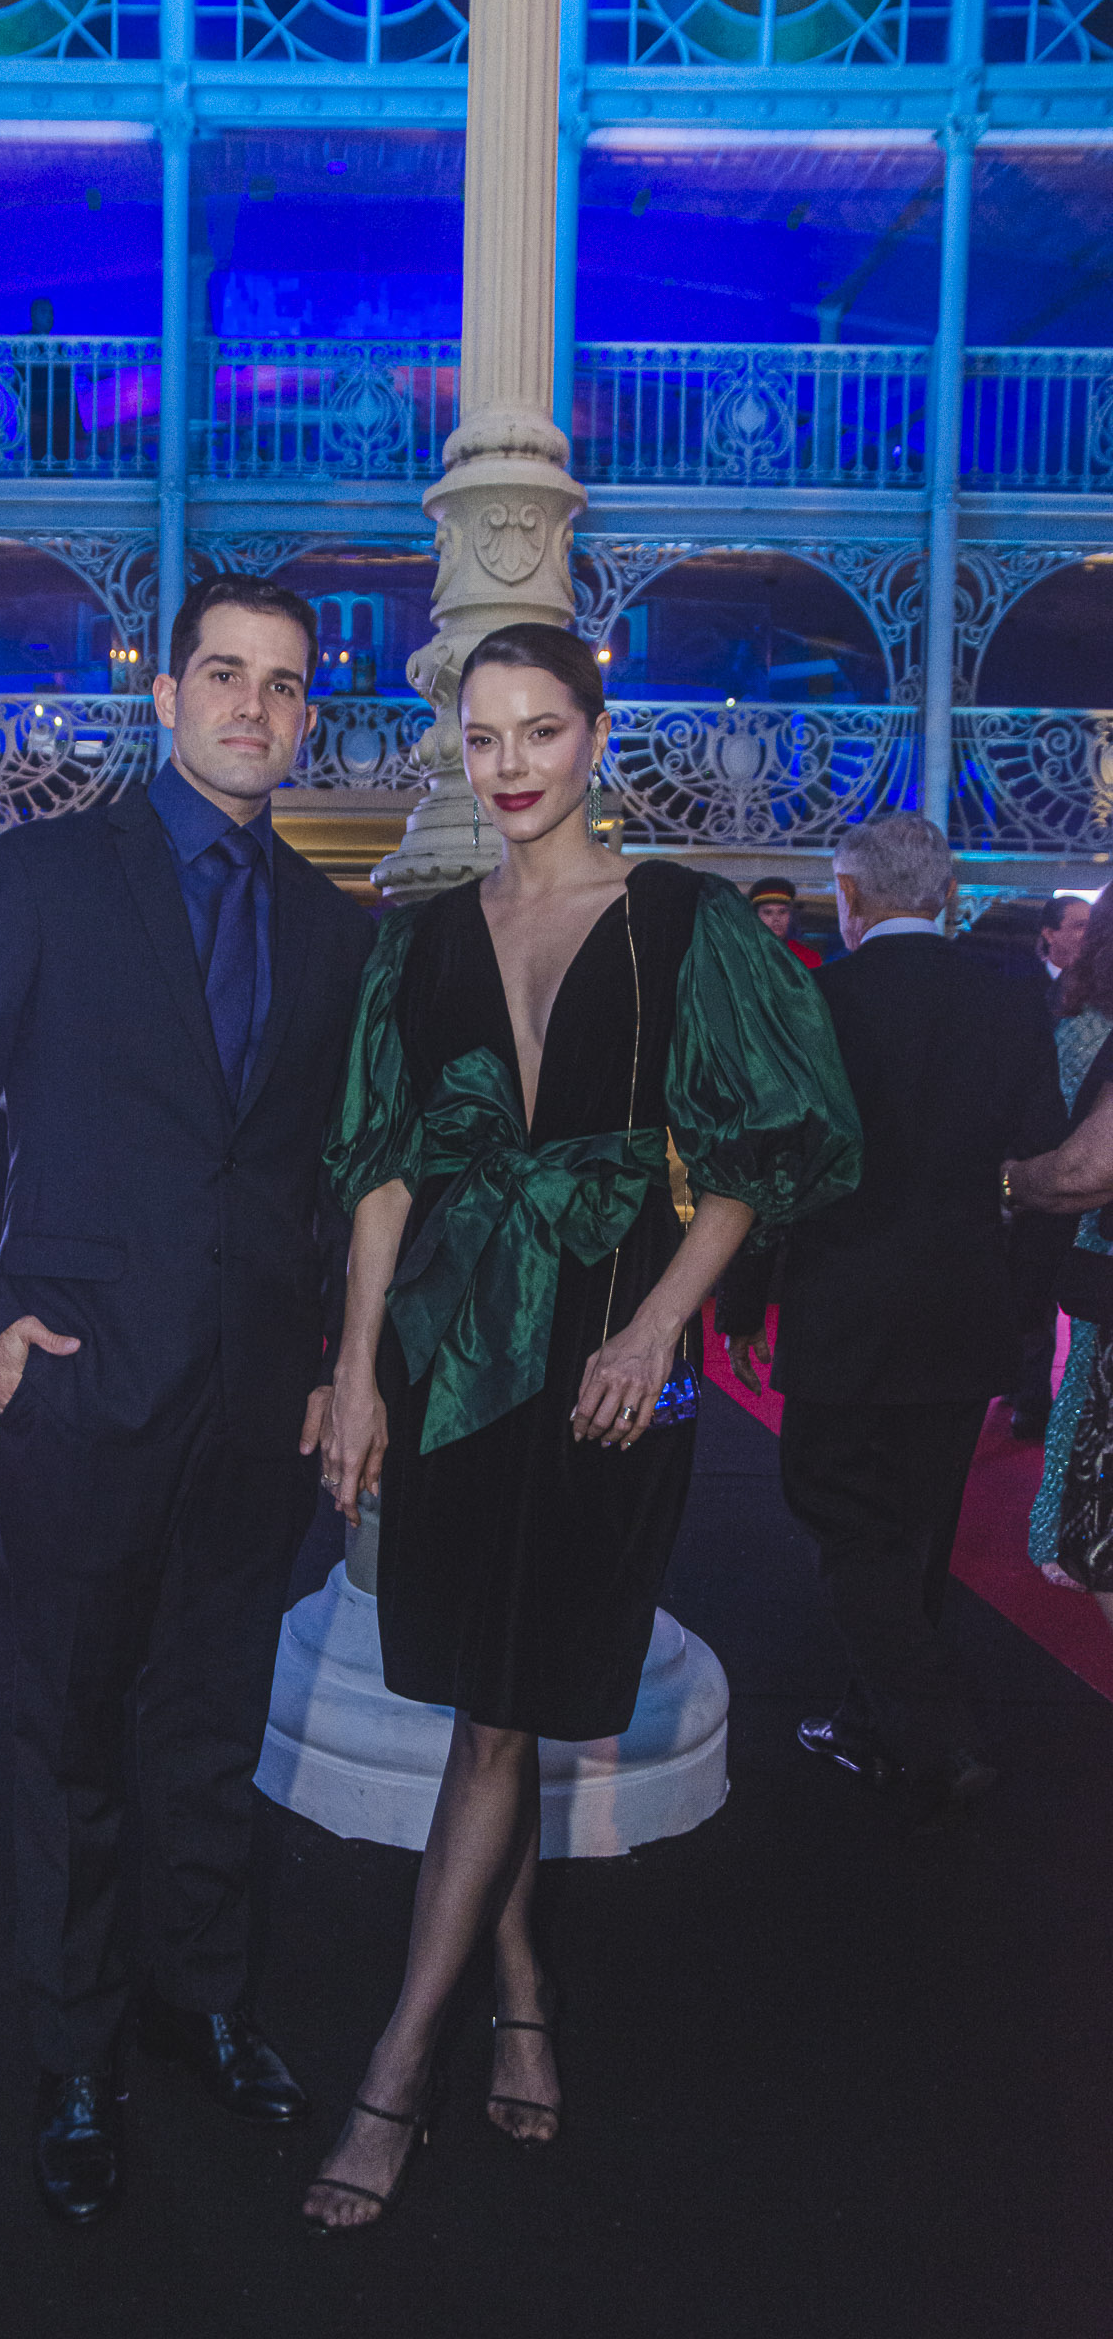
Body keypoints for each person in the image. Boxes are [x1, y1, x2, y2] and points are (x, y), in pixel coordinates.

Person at [304, 624, 860, 2233]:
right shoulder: (419, 941)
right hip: (454, 1359)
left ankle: (395, 2065)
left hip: (618, 1366)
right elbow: (381, 1176)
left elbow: (762, 1149)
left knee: (514, 1703)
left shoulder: (684, 920)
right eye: (483, 738)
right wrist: (357, 1371)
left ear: (598, 736)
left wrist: (662, 1321)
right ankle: (519, 1984)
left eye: (541, 731)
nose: (511, 766)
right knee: (485, 1701)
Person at [0, 575, 375, 2226]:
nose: (253, 705)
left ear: (307, 717)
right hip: (82, 1382)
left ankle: (198, 1999)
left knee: (213, 1722)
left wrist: (334, 1363)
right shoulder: (49, 874)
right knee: (72, 1730)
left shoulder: (332, 927)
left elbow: (323, 1177)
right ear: (165, 698)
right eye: (223, 674)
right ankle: (77, 2053)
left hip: (255, 1403)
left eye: (283, 684)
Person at [720, 813, 1066, 1831]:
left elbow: (774, 1168)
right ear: (945, 896)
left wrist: (741, 1300)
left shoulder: (816, 1000)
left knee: (838, 1510)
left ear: (848, 896)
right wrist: (1016, 1284)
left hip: (844, 1298)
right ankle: (874, 1722)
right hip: (964, 1300)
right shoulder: (1010, 999)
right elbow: (1041, 1157)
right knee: (919, 1527)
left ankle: (932, 1732)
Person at [1003, 882, 1113, 1622]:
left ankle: (1066, 1534)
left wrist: (1004, 1182)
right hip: (1083, 1228)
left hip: (1082, 1225)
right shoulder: (1077, 1023)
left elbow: (1083, 1166)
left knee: (1086, 1387)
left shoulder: (1081, 1028)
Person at [748, 873, 823, 969]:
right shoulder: (745, 957)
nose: (776, 918)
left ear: (790, 915)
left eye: (782, 912)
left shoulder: (808, 957)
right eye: (768, 912)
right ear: (756, 918)